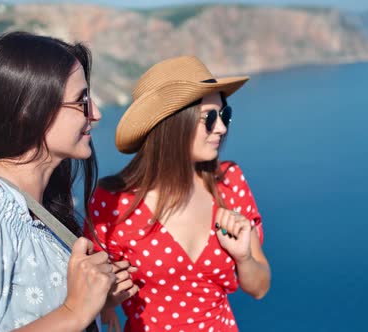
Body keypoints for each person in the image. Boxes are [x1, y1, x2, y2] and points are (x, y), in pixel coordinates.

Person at [0, 31, 134, 332]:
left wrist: (94, 301)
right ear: (30, 111)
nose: (94, 113)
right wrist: (73, 311)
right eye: (81, 100)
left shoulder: (29, 211)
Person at [85, 56, 271, 331]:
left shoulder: (229, 182)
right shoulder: (111, 202)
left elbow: (260, 288)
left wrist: (243, 257)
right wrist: (107, 302)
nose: (221, 127)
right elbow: (89, 290)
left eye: (224, 115)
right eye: (209, 118)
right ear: (171, 124)